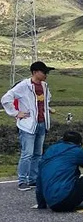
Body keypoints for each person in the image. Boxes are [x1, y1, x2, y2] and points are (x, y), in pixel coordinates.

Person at [1, 61, 55, 191]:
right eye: (44, 72)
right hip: (28, 125)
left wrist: (48, 109)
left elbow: (43, 102)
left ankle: (33, 179)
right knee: (27, 154)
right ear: (35, 72)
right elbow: (6, 99)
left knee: (38, 154)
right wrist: (16, 113)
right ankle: (22, 180)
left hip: (42, 124)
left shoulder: (44, 86)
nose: (46, 75)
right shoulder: (23, 85)